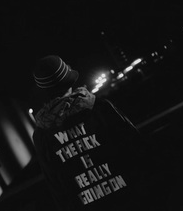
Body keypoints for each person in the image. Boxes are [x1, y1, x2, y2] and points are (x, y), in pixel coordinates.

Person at [31, 55, 155, 211]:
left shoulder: (42, 135)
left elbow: (55, 185)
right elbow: (136, 146)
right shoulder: (100, 107)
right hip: (130, 198)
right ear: (69, 82)